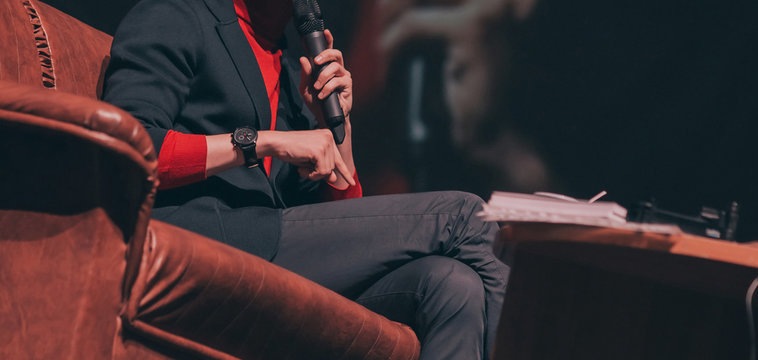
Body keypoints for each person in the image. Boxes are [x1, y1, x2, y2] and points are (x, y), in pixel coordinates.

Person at [102, 0, 509, 358]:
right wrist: (261, 142)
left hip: (273, 247)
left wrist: (338, 127)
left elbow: (343, 223)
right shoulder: (177, 14)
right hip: (201, 237)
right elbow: (129, 149)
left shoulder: (292, 69)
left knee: (453, 285)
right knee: (466, 217)